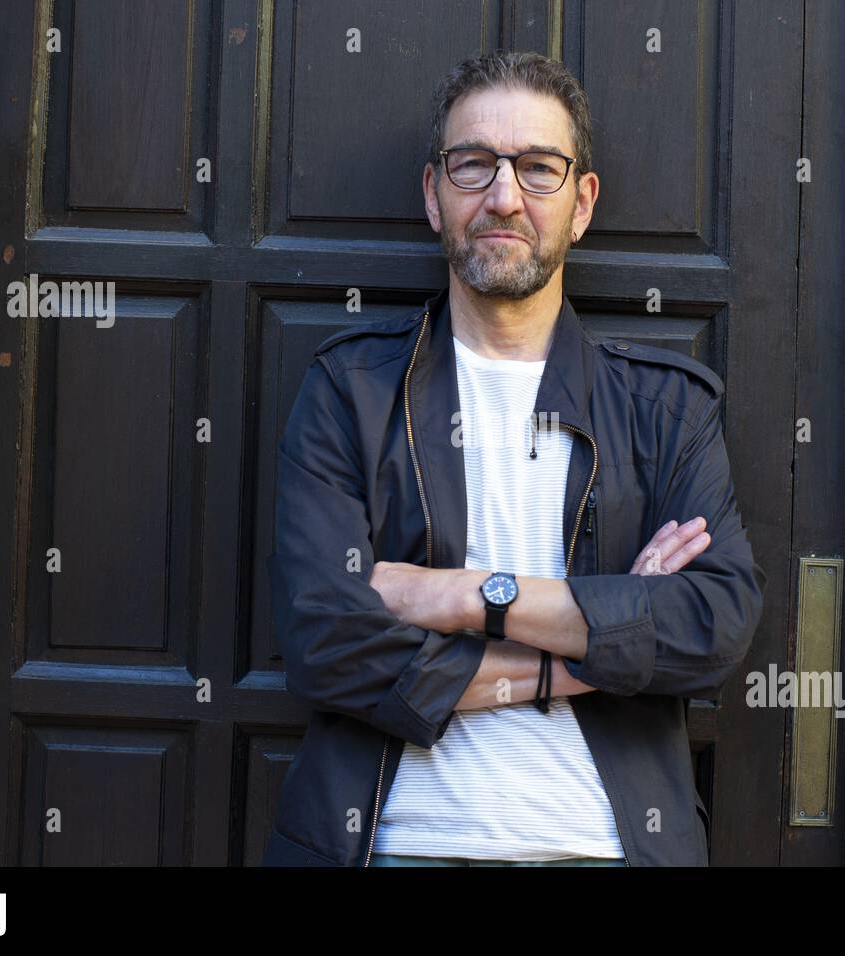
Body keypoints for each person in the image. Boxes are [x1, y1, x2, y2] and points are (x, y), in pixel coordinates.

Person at [262, 50, 765, 867]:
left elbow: (712, 626)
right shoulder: (347, 391)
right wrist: (603, 643)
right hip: (391, 849)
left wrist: (463, 596)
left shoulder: (669, 411)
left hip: (604, 849)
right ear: (434, 194)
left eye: (537, 168)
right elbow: (324, 641)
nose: (503, 196)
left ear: (581, 202)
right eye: (474, 165)